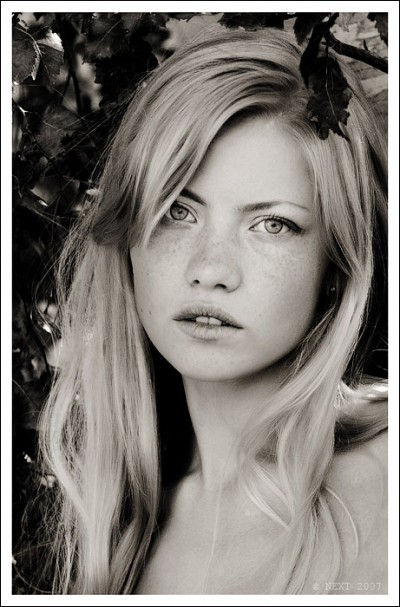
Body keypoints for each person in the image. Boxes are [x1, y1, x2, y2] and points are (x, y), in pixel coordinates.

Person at [37, 27, 388, 594]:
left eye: (272, 224)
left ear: (337, 263)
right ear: (128, 238)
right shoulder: (120, 532)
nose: (210, 269)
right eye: (178, 211)